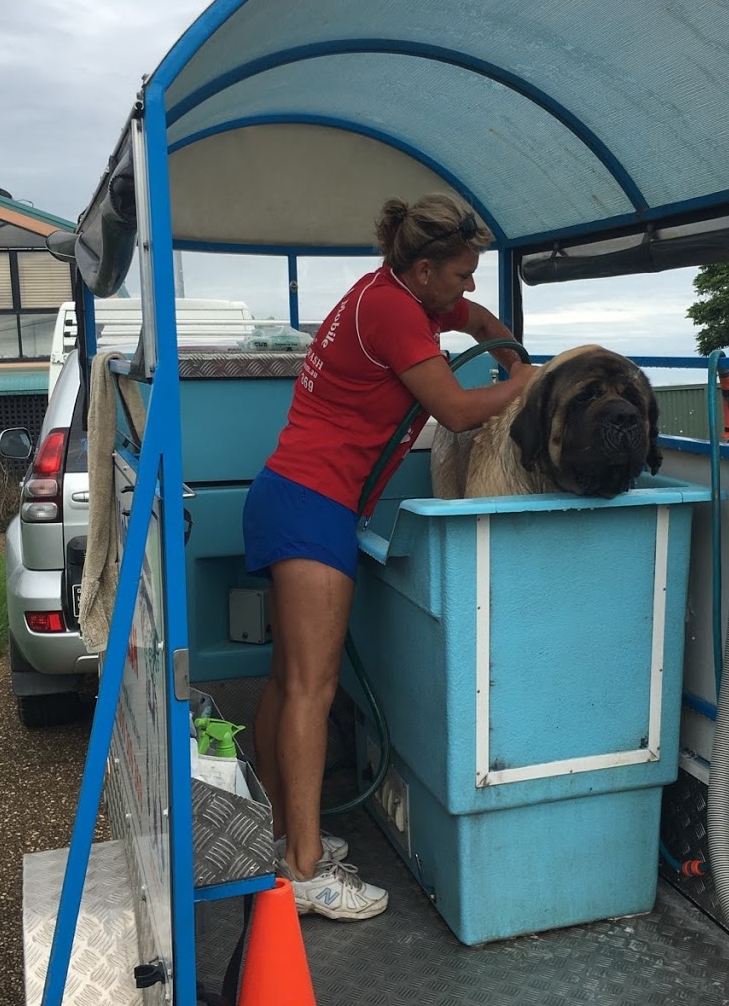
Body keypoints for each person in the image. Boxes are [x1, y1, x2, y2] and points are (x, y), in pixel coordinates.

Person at [242, 193, 536, 920]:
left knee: (287, 682)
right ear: (427, 268)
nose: (469, 287)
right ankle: (305, 873)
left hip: (293, 495)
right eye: (463, 274)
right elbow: (460, 412)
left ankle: (284, 837)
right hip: (313, 503)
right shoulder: (395, 313)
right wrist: (530, 381)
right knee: (312, 688)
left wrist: (507, 347)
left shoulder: (398, 291)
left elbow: (479, 321)